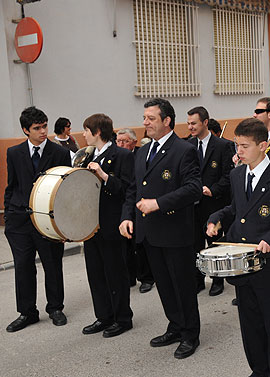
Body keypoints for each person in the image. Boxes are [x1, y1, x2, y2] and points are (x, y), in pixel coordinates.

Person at [207, 118, 270, 377]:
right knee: (250, 328)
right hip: (242, 268)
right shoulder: (237, 174)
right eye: (237, 145)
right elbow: (237, 210)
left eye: (244, 146)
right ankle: (259, 370)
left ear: (263, 145)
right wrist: (217, 218)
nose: (238, 151)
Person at [119, 98, 202, 359]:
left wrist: (158, 203)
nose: (145, 123)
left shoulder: (183, 150)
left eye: (151, 118)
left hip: (175, 231)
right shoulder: (142, 151)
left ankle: (190, 334)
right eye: (144, 118)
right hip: (149, 232)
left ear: (167, 121)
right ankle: (175, 325)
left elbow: (193, 189)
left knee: (182, 286)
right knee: (164, 285)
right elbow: (134, 189)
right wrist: (127, 216)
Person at [3, 107, 71, 332]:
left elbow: (65, 192)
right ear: (25, 130)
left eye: (44, 126)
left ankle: (55, 308)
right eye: (37, 128)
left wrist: (63, 226)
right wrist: (7, 217)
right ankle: (27, 312)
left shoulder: (59, 153)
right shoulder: (14, 153)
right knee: (23, 267)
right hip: (19, 221)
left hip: (48, 221)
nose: (43, 132)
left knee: (52, 265)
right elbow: (11, 186)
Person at [80, 114, 134, 338]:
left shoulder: (121, 155)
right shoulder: (86, 156)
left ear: (97, 132)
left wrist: (104, 176)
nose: (83, 135)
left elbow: (127, 189)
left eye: (86, 130)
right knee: (95, 272)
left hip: (112, 222)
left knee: (115, 272)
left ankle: (122, 318)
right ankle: (103, 316)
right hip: (91, 224)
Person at [187, 106, 234, 296]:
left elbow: (228, 175)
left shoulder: (223, 146)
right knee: (194, 244)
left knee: (214, 244)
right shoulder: (187, 145)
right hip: (192, 206)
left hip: (213, 204)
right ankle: (198, 280)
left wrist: (212, 190)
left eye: (194, 123)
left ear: (205, 123)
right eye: (188, 123)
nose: (190, 127)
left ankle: (217, 280)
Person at [116, 128, 154, 294]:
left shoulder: (140, 154)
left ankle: (146, 278)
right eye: (118, 141)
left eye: (125, 141)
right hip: (123, 205)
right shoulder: (116, 157)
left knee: (140, 244)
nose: (121, 144)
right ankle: (129, 276)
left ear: (133, 141)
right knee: (125, 247)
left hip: (140, 204)